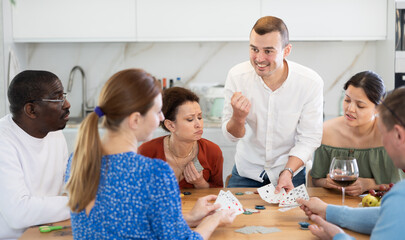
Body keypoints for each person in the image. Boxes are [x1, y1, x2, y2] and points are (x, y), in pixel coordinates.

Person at [65, 69, 235, 239]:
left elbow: (125, 224)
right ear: (135, 120)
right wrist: (215, 219)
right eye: (157, 111)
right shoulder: (155, 172)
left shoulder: (77, 161)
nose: (161, 118)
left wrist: (189, 217)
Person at [222, 16, 323, 192]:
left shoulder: (309, 82)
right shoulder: (237, 76)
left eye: (268, 51)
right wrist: (238, 118)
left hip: (290, 173)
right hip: (246, 173)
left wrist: (288, 171)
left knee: (293, 220)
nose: (259, 58)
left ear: (287, 50)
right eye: (254, 49)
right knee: (232, 219)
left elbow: (309, 138)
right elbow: (232, 137)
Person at [297, 87, 405, 239]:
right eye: (347, 100)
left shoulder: (400, 197)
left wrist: (338, 237)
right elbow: (385, 215)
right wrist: (328, 211)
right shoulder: (398, 201)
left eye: (383, 133)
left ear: (399, 134)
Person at [0, 70, 71, 239]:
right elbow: (18, 213)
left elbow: (66, 188)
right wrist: (80, 203)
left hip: (42, 230)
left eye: (64, 96)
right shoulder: (3, 141)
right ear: (31, 110)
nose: (67, 104)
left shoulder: (56, 135)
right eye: (58, 99)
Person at [311, 71, 405, 196]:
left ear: (378, 108)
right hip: (335, 202)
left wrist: (370, 184)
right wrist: (327, 182)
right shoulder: (326, 130)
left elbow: (401, 184)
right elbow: (316, 180)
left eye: (360, 106)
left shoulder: (391, 134)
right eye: (347, 100)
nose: (350, 109)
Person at [139, 87, 223, 189]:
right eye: (190, 119)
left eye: (200, 117)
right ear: (171, 125)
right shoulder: (147, 151)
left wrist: (200, 183)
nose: (198, 124)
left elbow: (218, 194)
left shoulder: (212, 151)